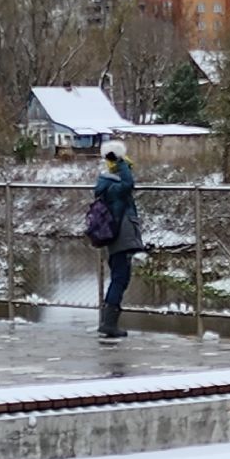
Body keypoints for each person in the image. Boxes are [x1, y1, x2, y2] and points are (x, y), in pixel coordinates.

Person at [93, 139, 143, 338]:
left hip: (115, 234)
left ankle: (108, 322)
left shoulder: (106, 182)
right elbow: (128, 184)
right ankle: (108, 323)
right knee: (120, 278)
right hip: (120, 235)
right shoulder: (114, 185)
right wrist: (120, 161)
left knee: (119, 276)